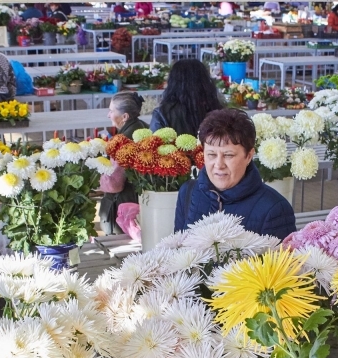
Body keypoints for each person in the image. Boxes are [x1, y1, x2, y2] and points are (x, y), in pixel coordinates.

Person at [174, 109, 295, 240]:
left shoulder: (275, 209)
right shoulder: (188, 192)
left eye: (228, 155)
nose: (219, 164)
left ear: (249, 156)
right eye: (211, 155)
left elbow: (283, 261)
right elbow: (177, 251)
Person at [99, 92, 146, 235]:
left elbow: (114, 184)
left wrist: (97, 175)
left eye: (111, 111)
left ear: (125, 117)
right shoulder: (144, 128)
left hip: (123, 206)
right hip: (141, 200)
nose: (108, 115)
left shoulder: (123, 141)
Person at [150, 59, 224, 137]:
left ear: (173, 83)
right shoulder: (218, 110)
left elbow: (154, 144)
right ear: (205, 82)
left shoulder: (162, 113)